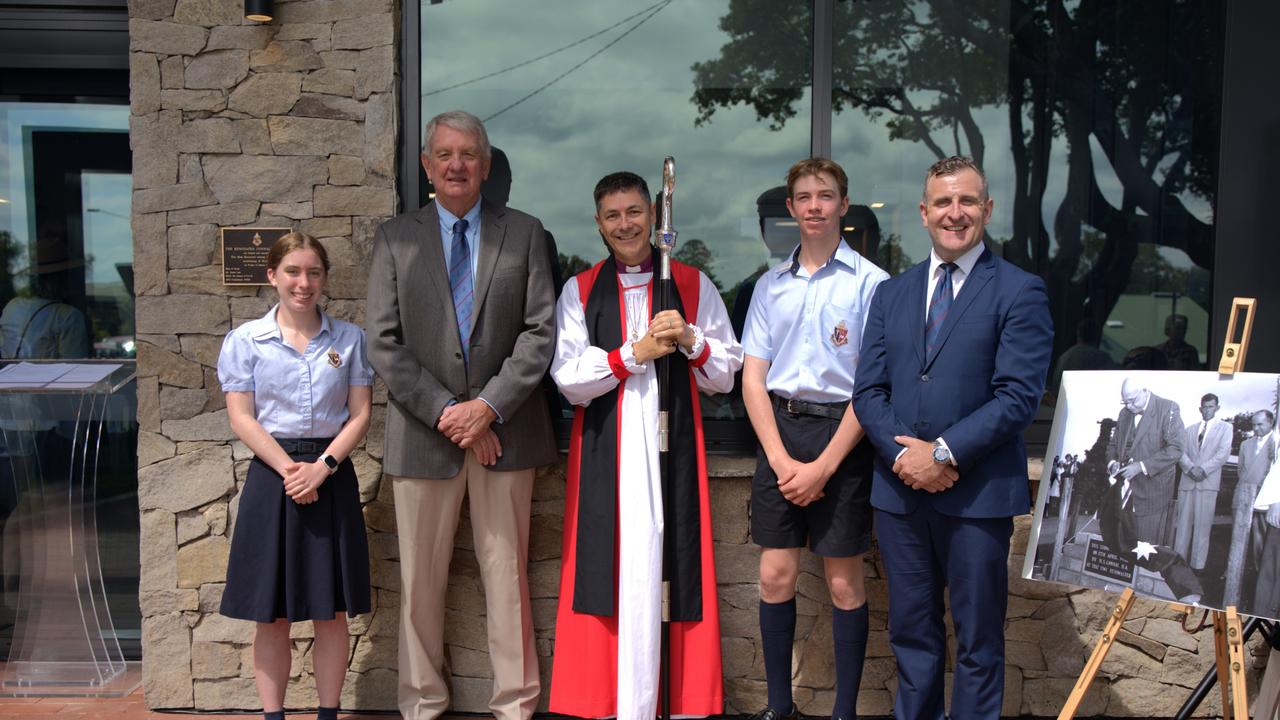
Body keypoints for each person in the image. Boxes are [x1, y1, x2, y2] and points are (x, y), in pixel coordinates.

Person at [365, 110, 556, 720]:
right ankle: (422, 703)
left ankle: (516, 703)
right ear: (426, 164)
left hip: (506, 431)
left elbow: (539, 333)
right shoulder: (395, 238)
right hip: (425, 438)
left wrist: (487, 409)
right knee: (421, 583)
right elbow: (383, 342)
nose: (456, 165)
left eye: (468, 154)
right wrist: (451, 413)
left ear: (486, 165)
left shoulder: (525, 233)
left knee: (507, 577)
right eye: (444, 154)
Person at [853, 156, 1053, 720]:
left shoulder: (1020, 291)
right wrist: (904, 457)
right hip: (899, 495)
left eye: (967, 201)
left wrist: (941, 453)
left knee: (978, 641)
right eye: (943, 202)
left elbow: (1018, 396)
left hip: (977, 496)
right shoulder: (891, 294)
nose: (955, 213)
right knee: (912, 636)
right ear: (923, 212)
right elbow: (868, 392)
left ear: (986, 210)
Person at [547, 171, 742, 720]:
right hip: (609, 449)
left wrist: (688, 339)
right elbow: (568, 377)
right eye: (613, 215)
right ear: (598, 223)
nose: (625, 224)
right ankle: (612, 703)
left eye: (634, 212)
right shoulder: (580, 290)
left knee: (671, 560)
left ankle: (671, 704)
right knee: (613, 569)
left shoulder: (690, 283)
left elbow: (726, 373)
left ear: (653, 218)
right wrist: (633, 352)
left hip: (672, 447)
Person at [741, 158, 887, 720]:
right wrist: (780, 460)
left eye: (826, 196)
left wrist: (824, 466)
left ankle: (844, 713)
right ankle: (781, 708)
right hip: (780, 433)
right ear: (792, 208)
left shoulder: (873, 285)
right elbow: (753, 377)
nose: (814, 207)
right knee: (775, 575)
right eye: (803, 197)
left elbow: (873, 386)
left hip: (843, 440)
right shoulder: (769, 286)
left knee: (844, 582)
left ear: (843, 206)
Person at [217, 233, 372, 720]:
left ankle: (328, 713)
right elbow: (241, 416)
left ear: (324, 278)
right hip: (274, 478)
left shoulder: (349, 340)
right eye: (292, 272)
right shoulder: (245, 340)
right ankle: (273, 716)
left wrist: (322, 469)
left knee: (332, 612)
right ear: (272, 276)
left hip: (330, 475)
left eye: (313, 273)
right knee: (273, 613)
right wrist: (290, 470)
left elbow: (361, 414)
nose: (303, 283)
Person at [1101, 378, 1201, 602]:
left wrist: (1141, 467)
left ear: (1145, 391)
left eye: (1132, 400)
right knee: (1122, 542)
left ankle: (1174, 594)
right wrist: (1113, 463)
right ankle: (1126, 594)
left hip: (1152, 492)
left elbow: (1176, 448)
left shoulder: (1169, 409)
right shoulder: (1125, 414)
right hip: (1124, 493)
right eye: (1124, 402)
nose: (1128, 406)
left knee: (1147, 550)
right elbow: (1113, 445)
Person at [1223, 410, 1277, 606]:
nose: (1255, 429)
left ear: (1271, 423)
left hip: (1264, 503)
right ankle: (1234, 575)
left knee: (1260, 544)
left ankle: (1258, 581)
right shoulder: (1246, 444)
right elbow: (1241, 472)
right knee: (1237, 540)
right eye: (1253, 425)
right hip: (1243, 499)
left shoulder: (1276, 444)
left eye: (1260, 425)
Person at [1173, 393, 1232, 571]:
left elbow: (1223, 454)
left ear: (1217, 408)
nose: (1207, 410)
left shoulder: (1226, 428)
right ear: (1200, 408)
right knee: (1182, 525)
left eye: (1211, 407)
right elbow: (1179, 452)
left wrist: (1203, 469)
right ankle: (1178, 563)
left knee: (1203, 526)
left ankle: (1197, 566)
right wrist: (1190, 468)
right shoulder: (1189, 429)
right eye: (1204, 407)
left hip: (1208, 483)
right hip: (1187, 482)